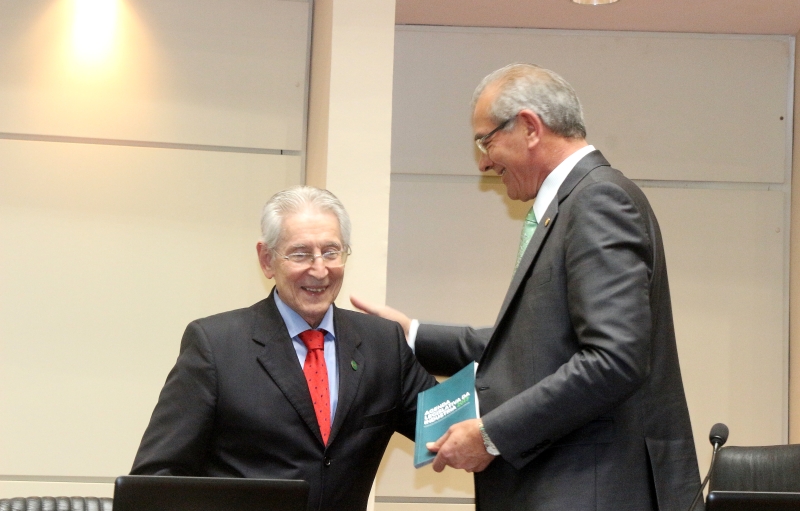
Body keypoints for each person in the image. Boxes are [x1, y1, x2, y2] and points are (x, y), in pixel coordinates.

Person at [351, 63, 702, 511]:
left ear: (530, 127)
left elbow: (614, 360)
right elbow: (532, 346)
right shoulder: (574, 202)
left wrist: (492, 435)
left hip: (593, 491)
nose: (483, 161)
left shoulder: (597, 201)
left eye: (486, 139)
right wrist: (411, 335)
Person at [131, 186, 436, 511]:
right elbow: (156, 479)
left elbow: (453, 427)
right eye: (301, 254)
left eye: (331, 252)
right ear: (267, 259)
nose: (319, 270)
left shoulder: (382, 343)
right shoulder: (216, 346)